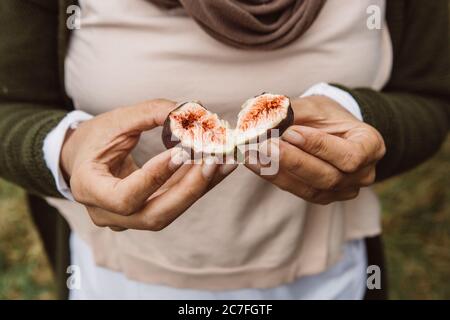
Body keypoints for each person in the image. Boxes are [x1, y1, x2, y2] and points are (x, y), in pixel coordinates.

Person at [0, 0, 448, 299]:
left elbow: (431, 93)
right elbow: (10, 106)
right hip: (117, 279)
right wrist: (65, 149)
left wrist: (364, 117)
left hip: (325, 276)